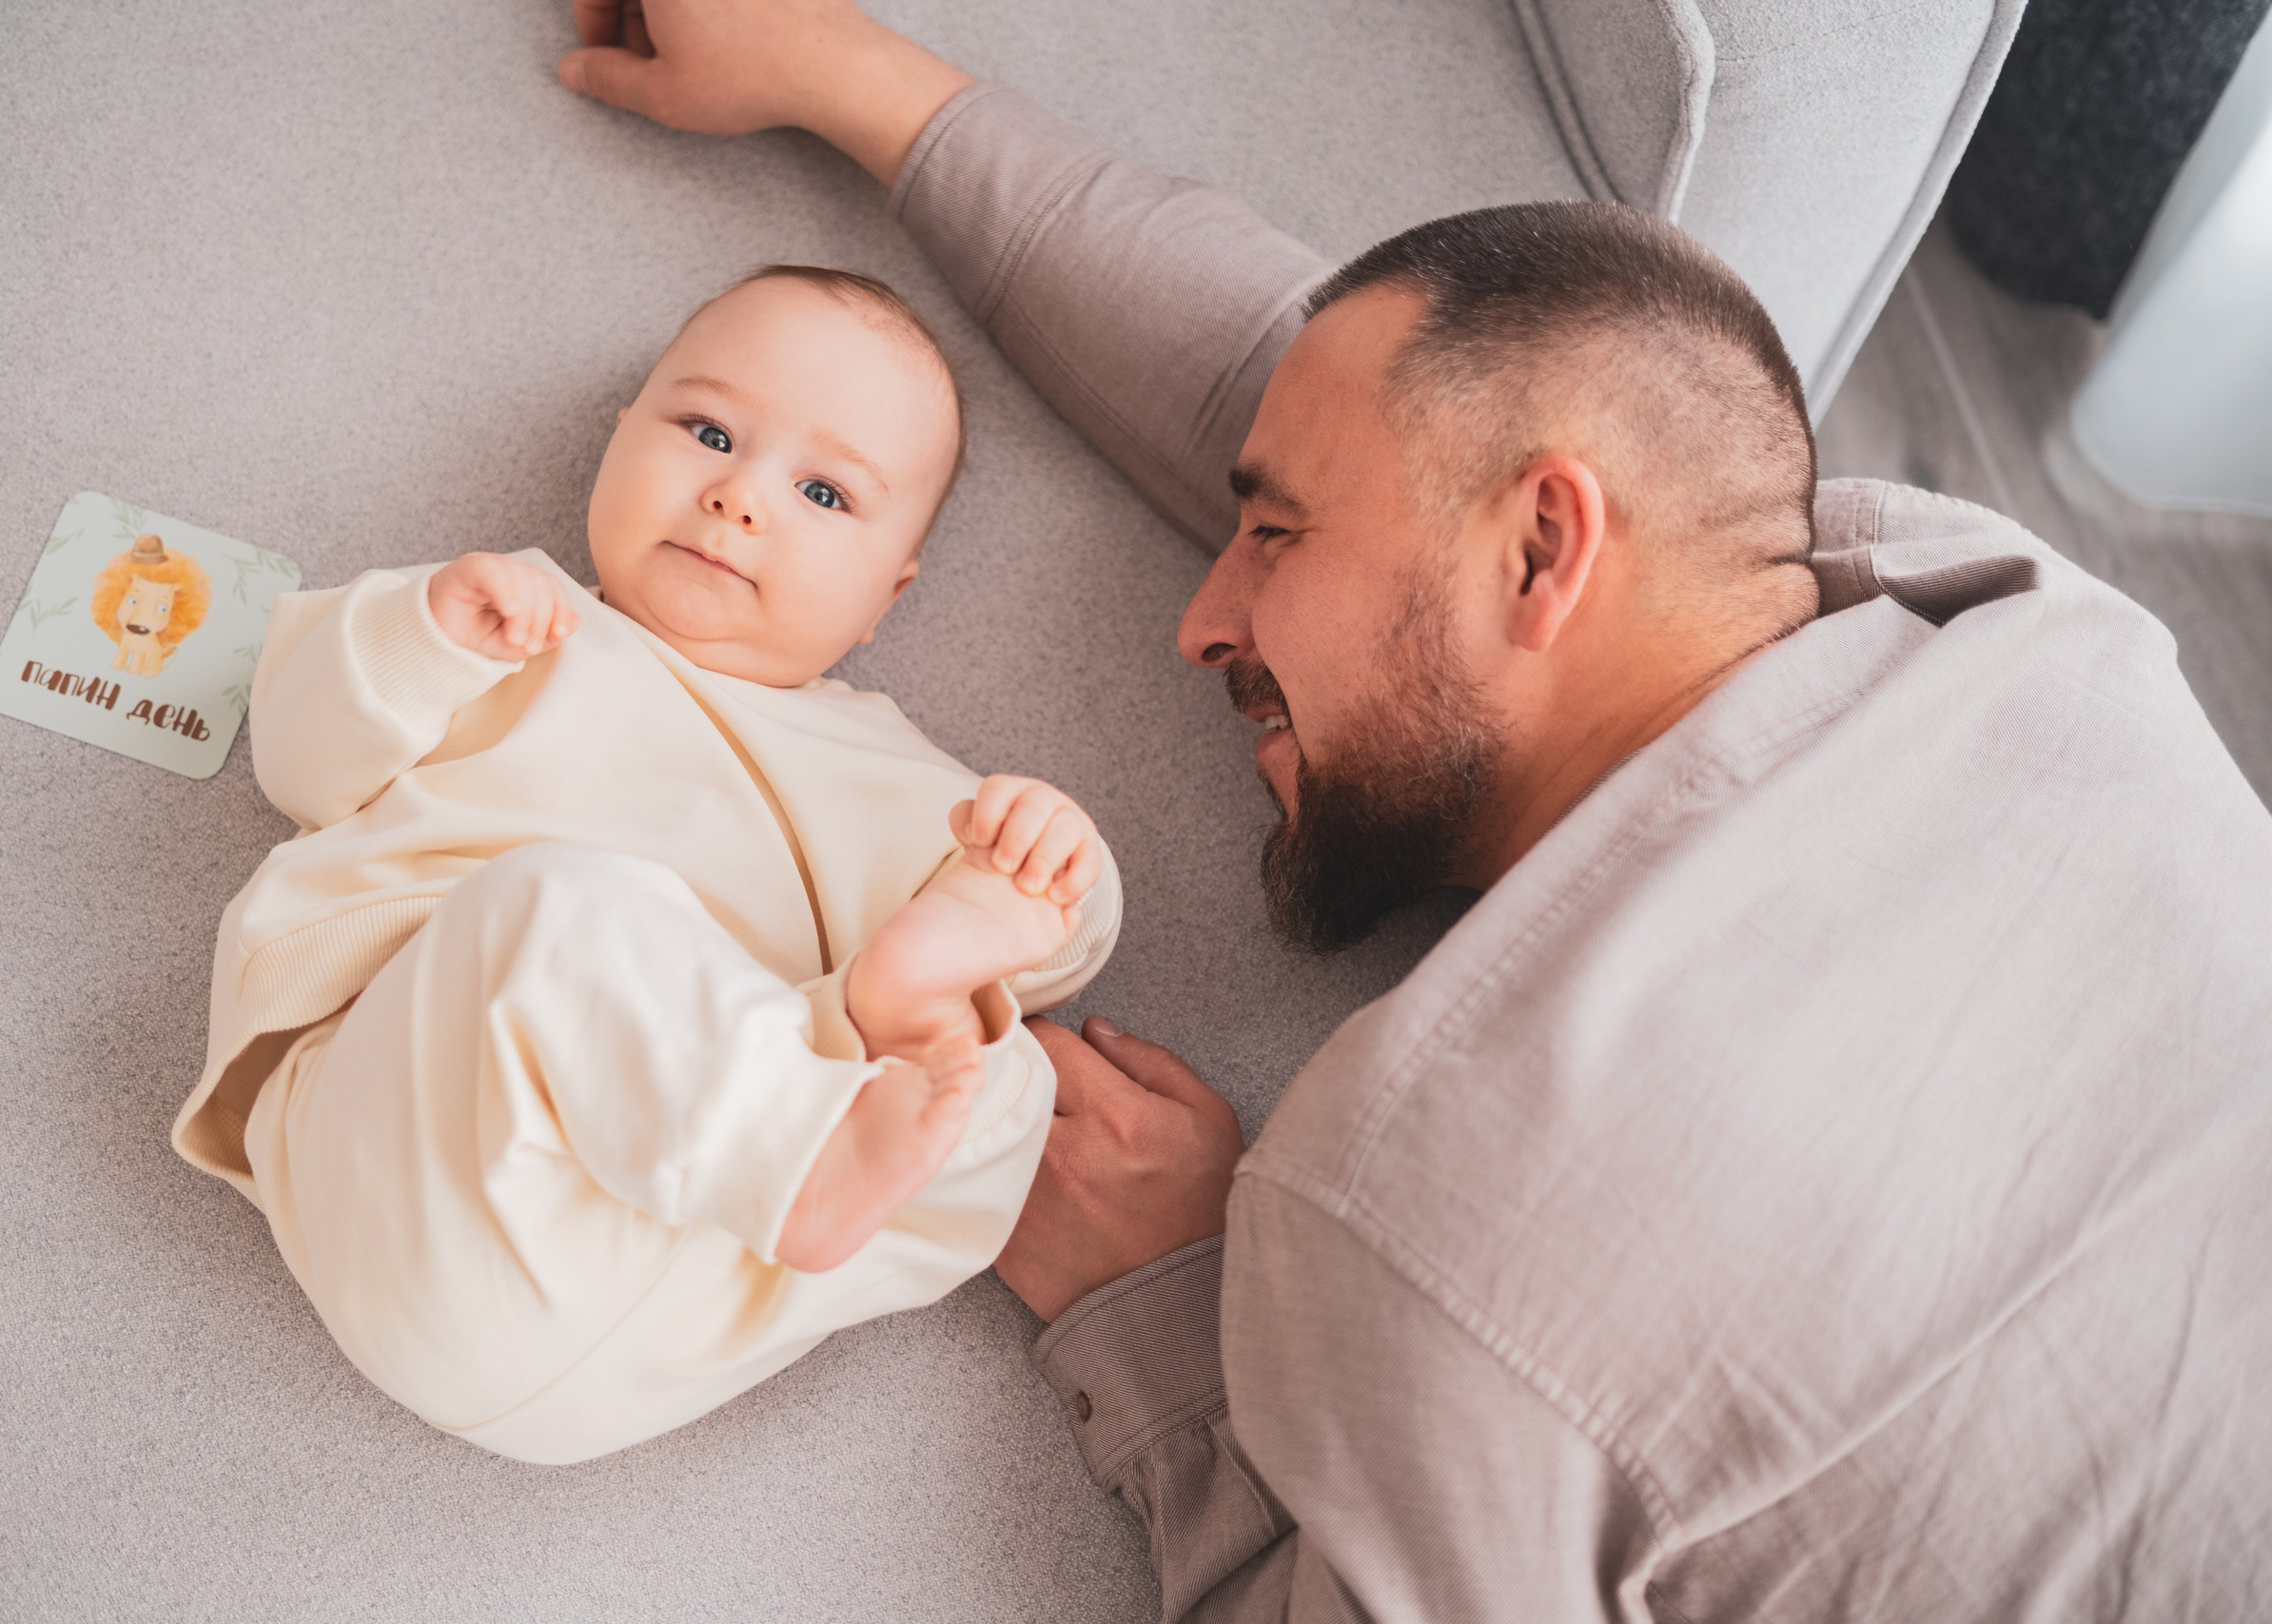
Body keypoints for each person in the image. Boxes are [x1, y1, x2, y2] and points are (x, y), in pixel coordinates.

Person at [559, 5, 2272, 1619]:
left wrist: (1158, 1313)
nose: (1199, 622)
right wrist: (842, 72)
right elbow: (1327, 387)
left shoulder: (1405, 1201)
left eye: (1274, 536)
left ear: (1544, 548)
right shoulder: (2007, 610)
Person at [170, 264, 1124, 1466]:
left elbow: (1049, 948)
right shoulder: (519, 632)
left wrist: (1043, 865)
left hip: (687, 1287)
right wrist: (423, 637)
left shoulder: (912, 785)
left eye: (824, 491)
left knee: (1008, 1081)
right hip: (428, 1162)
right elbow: (301, 759)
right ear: (617, 441)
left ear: (887, 595)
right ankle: (802, 1137)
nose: (736, 498)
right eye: (708, 432)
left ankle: (848, 1080)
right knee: (558, 909)